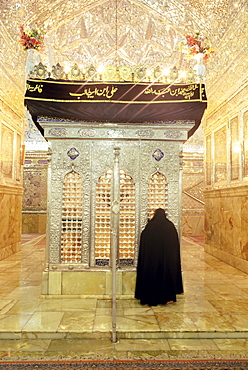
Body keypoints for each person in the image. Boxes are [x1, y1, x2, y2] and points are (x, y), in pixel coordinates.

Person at [135, 208, 183, 306]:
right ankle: (167, 297)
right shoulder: (170, 227)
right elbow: (174, 245)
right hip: (167, 262)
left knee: (152, 277)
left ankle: (151, 297)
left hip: (152, 262)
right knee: (166, 276)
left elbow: (144, 242)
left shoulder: (150, 227)